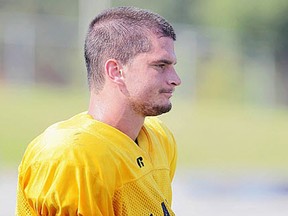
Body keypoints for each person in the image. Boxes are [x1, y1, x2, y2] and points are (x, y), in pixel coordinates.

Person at [16, 6, 181, 216]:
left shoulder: (159, 139)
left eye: (173, 65)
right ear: (116, 71)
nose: (176, 79)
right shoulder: (72, 156)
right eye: (160, 65)